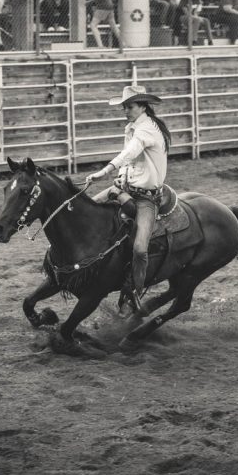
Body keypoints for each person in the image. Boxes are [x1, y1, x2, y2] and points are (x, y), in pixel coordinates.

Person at [85, 85, 171, 313]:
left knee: (140, 249)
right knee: (88, 211)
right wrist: (120, 178)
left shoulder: (147, 130)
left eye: (129, 106)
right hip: (126, 189)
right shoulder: (132, 128)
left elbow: (129, 154)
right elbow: (130, 163)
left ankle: (134, 290)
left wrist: (104, 172)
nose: (126, 111)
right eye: (124, 107)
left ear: (143, 106)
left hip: (146, 199)